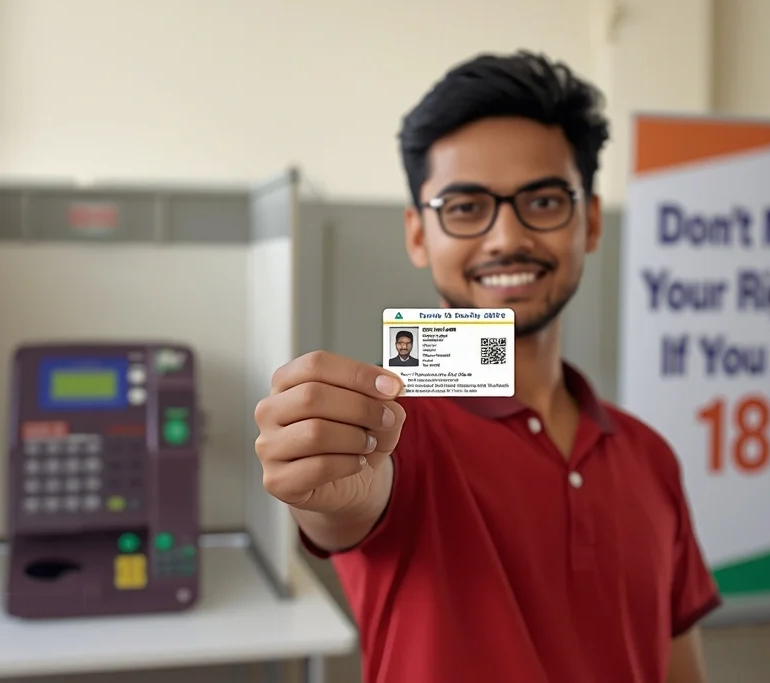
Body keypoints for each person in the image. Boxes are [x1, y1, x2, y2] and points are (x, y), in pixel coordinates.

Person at [253, 50, 721, 683]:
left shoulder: (650, 458)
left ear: (589, 223)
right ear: (419, 235)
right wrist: (324, 489)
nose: (506, 238)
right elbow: (347, 508)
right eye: (467, 208)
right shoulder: (389, 438)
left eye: (545, 201)